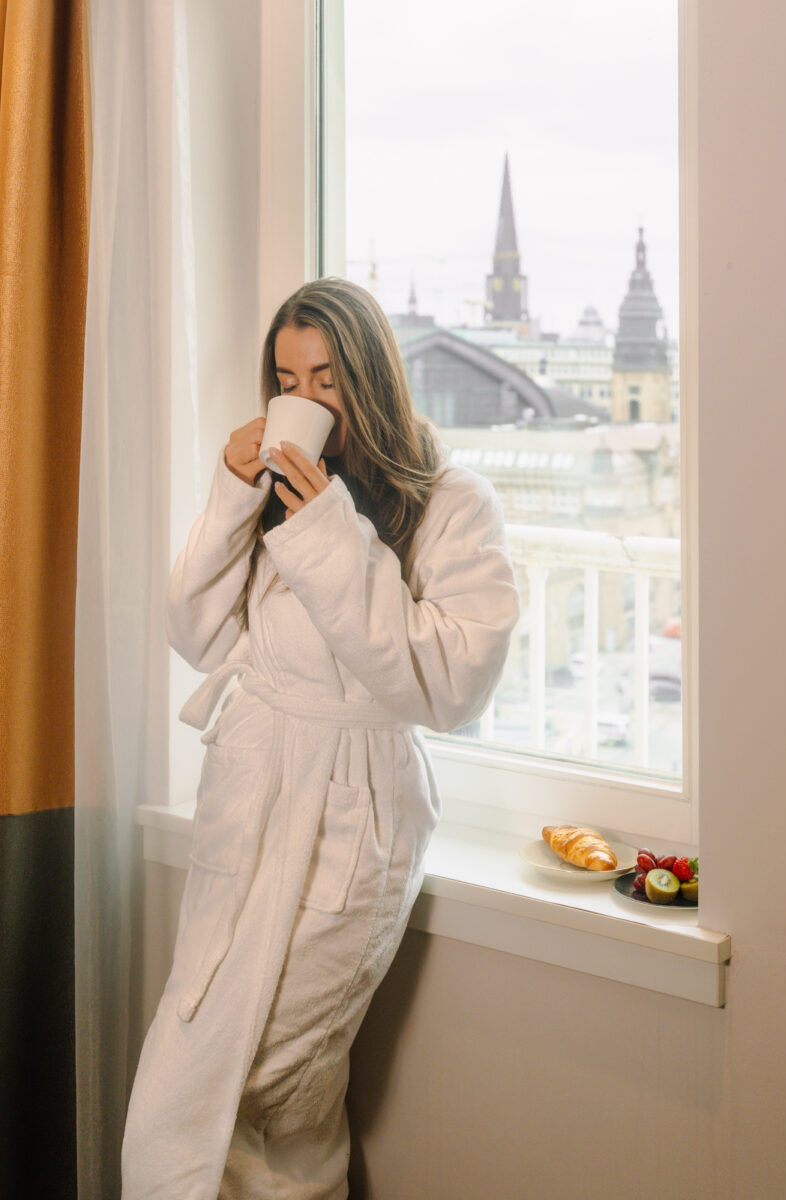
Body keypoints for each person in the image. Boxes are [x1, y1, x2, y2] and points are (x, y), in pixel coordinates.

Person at [121, 277, 520, 1199]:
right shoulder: (280, 487)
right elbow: (195, 633)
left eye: (328, 378)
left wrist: (329, 530)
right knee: (193, 1072)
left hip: (354, 811)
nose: (305, 399)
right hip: (252, 787)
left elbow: (451, 683)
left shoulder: (451, 501)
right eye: (287, 378)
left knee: (274, 1088)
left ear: (371, 377)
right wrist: (232, 494)